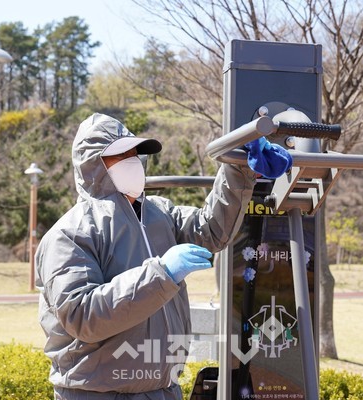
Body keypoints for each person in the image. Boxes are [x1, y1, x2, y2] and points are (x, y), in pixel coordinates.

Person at [35, 112, 291, 399]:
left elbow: (211, 230)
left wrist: (239, 166)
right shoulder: (70, 234)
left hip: (163, 390)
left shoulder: (159, 212)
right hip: (95, 393)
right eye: (121, 155)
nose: (133, 161)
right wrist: (162, 274)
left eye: (135, 153)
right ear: (93, 164)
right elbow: (82, 315)